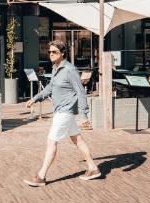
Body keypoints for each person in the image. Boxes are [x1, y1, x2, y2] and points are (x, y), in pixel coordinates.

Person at [24, 40, 101, 186]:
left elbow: (80, 92)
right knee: (77, 139)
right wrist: (35, 98)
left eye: (55, 52)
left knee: (52, 141)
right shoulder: (55, 68)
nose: (51, 54)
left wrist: (84, 115)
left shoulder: (70, 70)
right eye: (50, 52)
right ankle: (93, 168)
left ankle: (41, 176)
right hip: (61, 110)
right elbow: (49, 88)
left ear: (62, 53)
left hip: (65, 111)